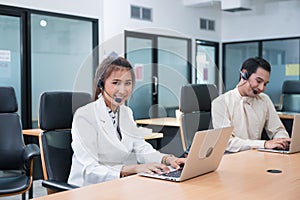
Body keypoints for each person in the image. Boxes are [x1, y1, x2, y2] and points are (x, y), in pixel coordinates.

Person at [68, 56, 185, 186]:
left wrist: (168, 159)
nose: (123, 90)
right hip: (87, 188)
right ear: (101, 85)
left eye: (128, 83)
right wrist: (133, 169)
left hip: (116, 184)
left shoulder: (126, 112)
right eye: (115, 83)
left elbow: (141, 148)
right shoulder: (85, 115)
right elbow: (89, 169)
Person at [211, 57, 291, 153]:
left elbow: (277, 129)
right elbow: (226, 142)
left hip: (255, 156)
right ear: (244, 75)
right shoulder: (221, 103)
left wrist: (282, 140)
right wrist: (264, 144)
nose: (261, 88)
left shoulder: (264, 100)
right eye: (258, 81)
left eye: (265, 84)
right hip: (231, 158)